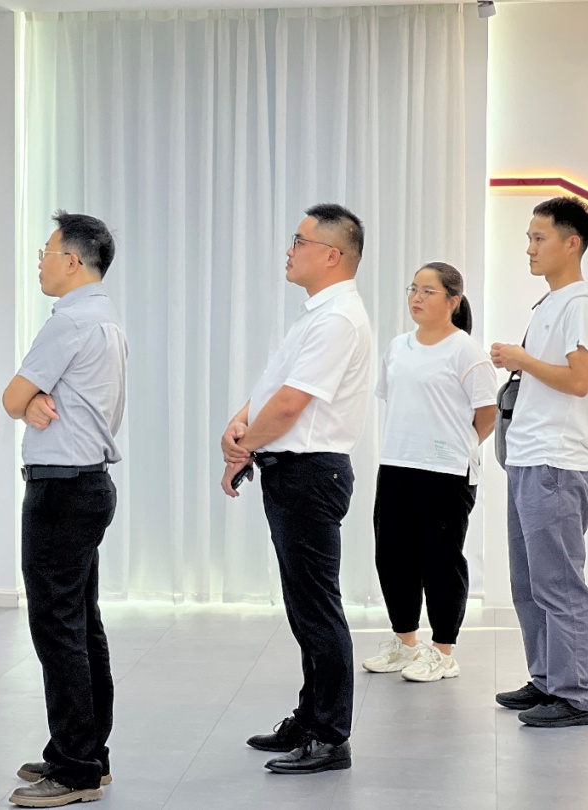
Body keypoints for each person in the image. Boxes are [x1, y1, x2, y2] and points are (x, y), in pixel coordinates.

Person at [221, 204, 371, 775]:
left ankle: (330, 736)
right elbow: (273, 390)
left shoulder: (338, 320)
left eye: (299, 240)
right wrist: (240, 425)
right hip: (293, 470)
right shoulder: (317, 316)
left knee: (316, 609)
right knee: (304, 607)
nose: (289, 250)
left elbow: (290, 405)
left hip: (311, 473)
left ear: (331, 254)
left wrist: (243, 448)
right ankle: (310, 718)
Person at [2, 211, 127, 807]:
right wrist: (34, 402)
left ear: (72, 261)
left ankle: (75, 770)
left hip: (60, 490)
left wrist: (28, 403)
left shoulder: (70, 322)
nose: (40, 263)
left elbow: (11, 397)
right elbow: (34, 400)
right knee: (80, 623)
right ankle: (87, 753)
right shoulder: (106, 320)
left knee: (57, 628)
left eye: (46, 252)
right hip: (89, 484)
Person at [491, 196, 588, 728]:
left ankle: (574, 695)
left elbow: (579, 380)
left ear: (572, 243)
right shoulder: (551, 304)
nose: (530, 248)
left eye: (539, 238)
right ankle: (546, 679)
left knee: (559, 583)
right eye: (529, 239)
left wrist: (522, 360)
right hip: (529, 457)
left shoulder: (582, 303)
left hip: (555, 462)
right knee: (529, 582)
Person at [362, 263, 496, 682]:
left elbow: (486, 416)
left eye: (428, 291)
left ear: (453, 301)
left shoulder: (466, 352)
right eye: (413, 289)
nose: (416, 298)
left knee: (440, 561)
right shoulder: (398, 347)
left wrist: (454, 446)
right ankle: (405, 644)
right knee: (393, 558)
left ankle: (442, 652)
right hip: (397, 465)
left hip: (447, 472)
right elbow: (396, 402)